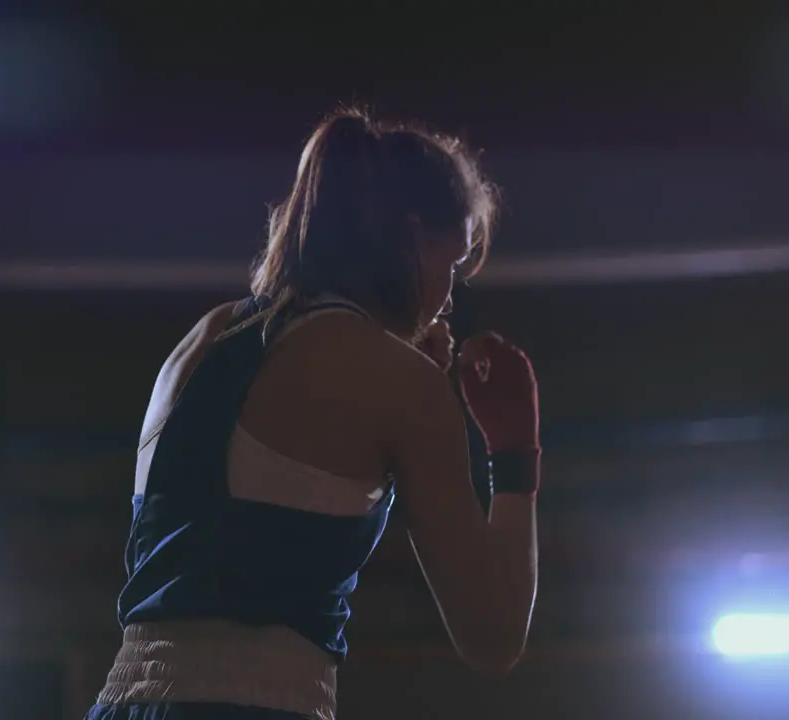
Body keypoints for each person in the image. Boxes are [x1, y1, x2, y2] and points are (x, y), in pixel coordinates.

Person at [86, 108, 542, 720]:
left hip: (121, 701)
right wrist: (514, 452)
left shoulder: (204, 338)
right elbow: (493, 637)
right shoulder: (398, 383)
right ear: (410, 240)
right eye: (451, 265)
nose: (449, 297)